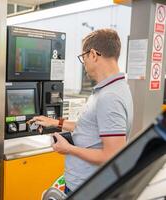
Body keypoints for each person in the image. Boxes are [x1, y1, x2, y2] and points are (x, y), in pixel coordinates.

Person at [30, 29, 133, 195]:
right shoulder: (113, 89)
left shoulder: (110, 96)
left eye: (83, 58)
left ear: (93, 54)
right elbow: (93, 126)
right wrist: (57, 123)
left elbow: (112, 155)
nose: (84, 64)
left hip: (88, 188)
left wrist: (69, 149)